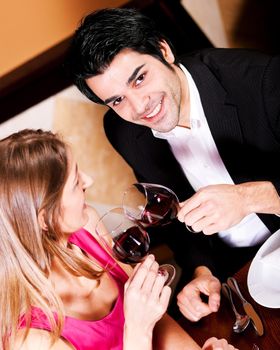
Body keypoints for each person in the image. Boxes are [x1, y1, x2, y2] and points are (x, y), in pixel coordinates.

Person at [66, 7, 280, 322]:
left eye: (139, 79)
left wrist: (250, 197)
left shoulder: (260, 79)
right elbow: (171, 213)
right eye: (117, 100)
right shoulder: (122, 130)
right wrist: (202, 272)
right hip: (241, 276)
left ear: (164, 51)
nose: (139, 108)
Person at [0, 129, 237, 350]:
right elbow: (144, 324)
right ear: (45, 219)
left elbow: (158, 321)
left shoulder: (88, 226)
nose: (88, 181)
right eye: (75, 183)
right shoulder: (30, 338)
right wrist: (137, 328)